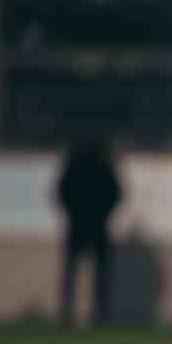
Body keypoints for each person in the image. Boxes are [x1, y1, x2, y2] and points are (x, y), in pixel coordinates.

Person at [55, 134, 122, 326]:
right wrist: (102, 212)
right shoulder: (103, 167)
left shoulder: (74, 167)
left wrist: (74, 212)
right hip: (96, 225)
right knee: (99, 275)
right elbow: (116, 194)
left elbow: (61, 193)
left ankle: (68, 313)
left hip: (79, 225)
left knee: (72, 274)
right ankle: (100, 314)